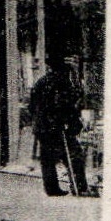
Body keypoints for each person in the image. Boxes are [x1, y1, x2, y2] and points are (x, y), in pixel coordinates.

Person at [29, 60, 89, 196]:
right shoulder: (61, 83)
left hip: (43, 127)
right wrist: (72, 123)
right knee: (74, 155)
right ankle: (79, 187)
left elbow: (32, 106)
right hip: (56, 127)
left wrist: (39, 121)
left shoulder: (41, 82)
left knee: (48, 159)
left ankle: (52, 189)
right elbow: (65, 105)